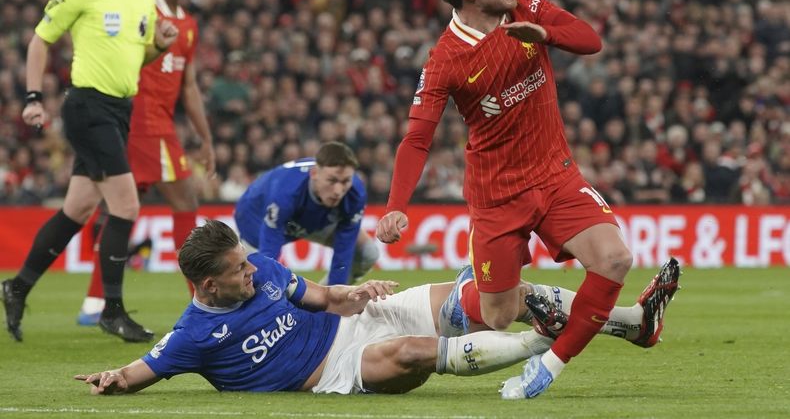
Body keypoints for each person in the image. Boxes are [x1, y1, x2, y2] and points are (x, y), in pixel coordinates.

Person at [376, 0, 634, 398]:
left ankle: (549, 363)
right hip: (498, 194)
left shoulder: (525, 6)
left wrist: (546, 34)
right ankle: (469, 286)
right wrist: (396, 205)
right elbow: (417, 138)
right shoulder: (446, 59)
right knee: (496, 314)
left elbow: (589, 39)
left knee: (615, 258)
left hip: (555, 174)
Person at [74, 220, 679, 396]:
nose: (252, 271)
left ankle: (634, 323)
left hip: (358, 319)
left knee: (496, 298)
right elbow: (137, 373)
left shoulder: (263, 271)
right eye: (238, 271)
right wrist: (112, 380)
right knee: (414, 353)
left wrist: (355, 294)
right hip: (334, 371)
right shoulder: (192, 335)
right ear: (207, 287)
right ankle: (544, 342)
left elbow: (321, 297)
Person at [1, 0, 178, 343]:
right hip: (87, 106)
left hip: (120, 109)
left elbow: (139, 56)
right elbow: (40, 40)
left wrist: (160, 45)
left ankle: (17, 287)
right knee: (126, 206)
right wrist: (33, 97)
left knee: (78, 209)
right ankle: (111, 310)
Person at [77, 0, 216, 325]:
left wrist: (205, 138)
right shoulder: (140, 9)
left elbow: (189, 86)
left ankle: (94, 303)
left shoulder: (188, 24)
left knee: (123, 209)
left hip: (158, 125)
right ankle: (201, 302)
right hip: (140, 120)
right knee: (184, 201)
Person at [233, 141, 379, 285]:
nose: (338, 191)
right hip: (255, 216)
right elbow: (269, 251)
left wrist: (334, 296)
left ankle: (323, 297)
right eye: (332, 180)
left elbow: (344, 249)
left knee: (368, 253)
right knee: (256, 279)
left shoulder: (355, 193)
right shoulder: (286, 192)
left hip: (314, 218)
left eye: (345, 181)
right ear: (314, 173)